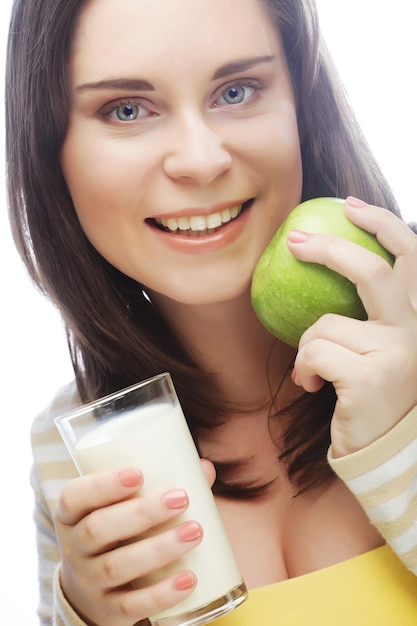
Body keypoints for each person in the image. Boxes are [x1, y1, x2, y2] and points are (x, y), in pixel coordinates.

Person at [5, 0, 417, 624]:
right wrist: (85, 614)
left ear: (303, 103)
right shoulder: (77, 441)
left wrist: (402, 446)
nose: (201, 160)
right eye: (126, 109)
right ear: (49, 151)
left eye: (238, 90)